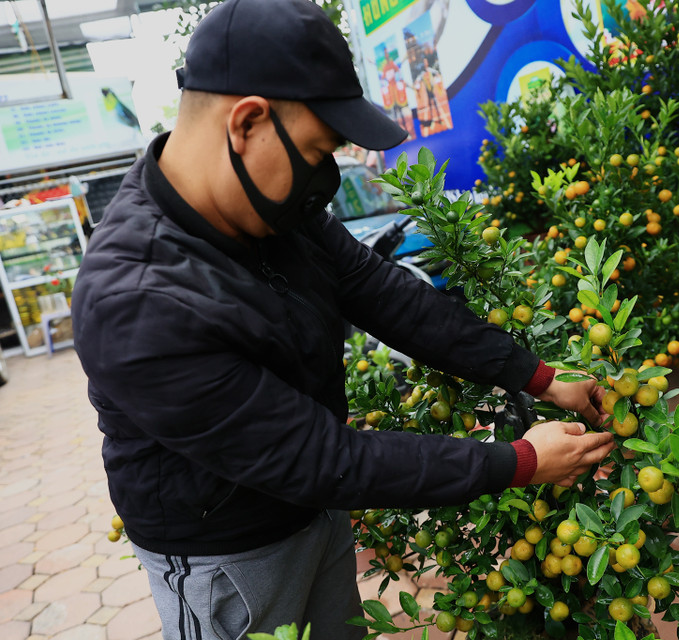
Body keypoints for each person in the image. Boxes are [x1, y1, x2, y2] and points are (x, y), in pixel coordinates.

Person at [71, 0, 614, 638]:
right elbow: (320, 456)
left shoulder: (272, 210)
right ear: (247, 122)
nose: (325, 177)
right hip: (228, 553)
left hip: (315, 509)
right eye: (318, 149)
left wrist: (540, 377)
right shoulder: (137, 299)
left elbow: (381, 292)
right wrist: (517, 462)